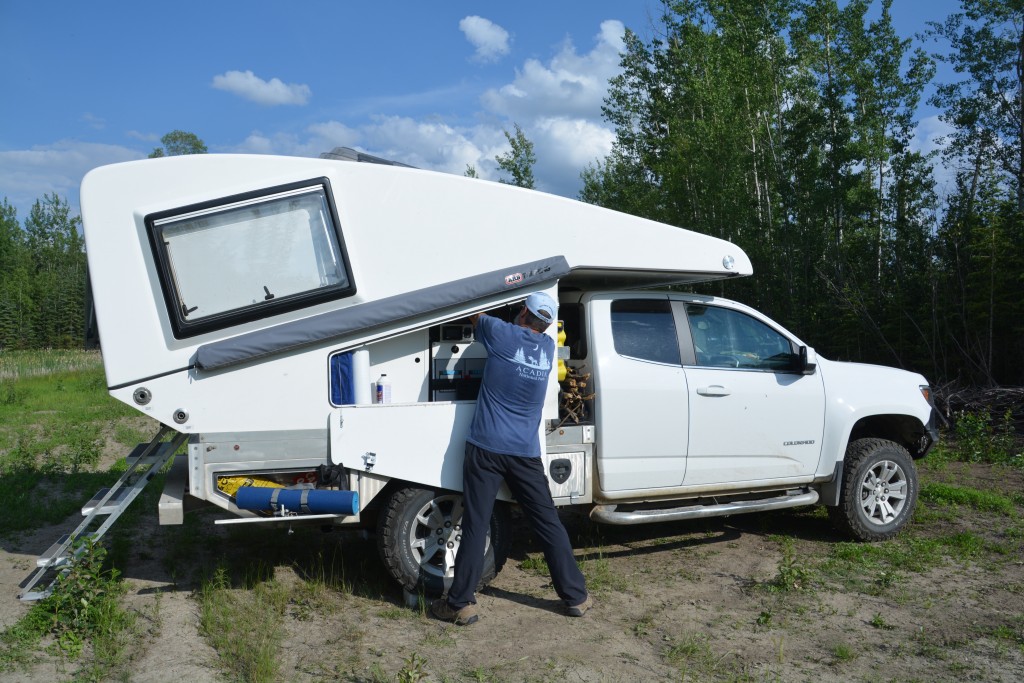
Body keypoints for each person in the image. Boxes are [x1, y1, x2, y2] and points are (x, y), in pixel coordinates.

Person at [431, 292, 591, 625]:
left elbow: (473, 311)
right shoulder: (547, 349)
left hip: (486, 447)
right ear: (547, 325)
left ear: (522, 313)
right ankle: (576, 596)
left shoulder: (501, 334)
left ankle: (460, 603)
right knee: (548, 523)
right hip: (525, 453)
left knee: (476, 523)